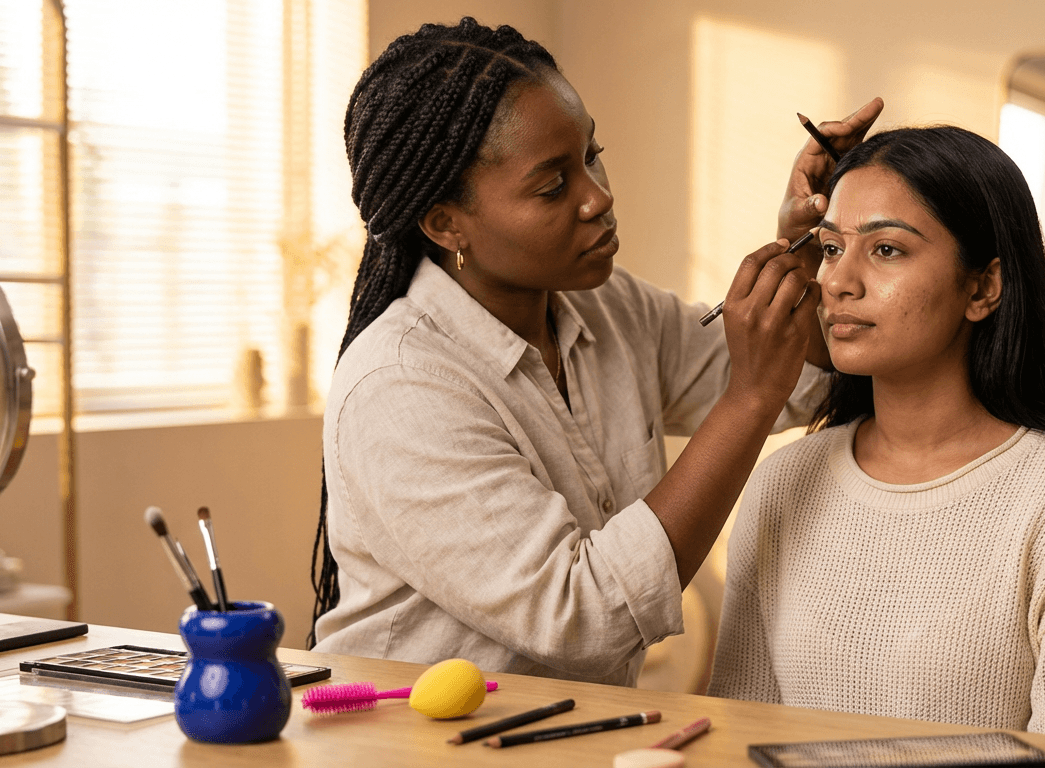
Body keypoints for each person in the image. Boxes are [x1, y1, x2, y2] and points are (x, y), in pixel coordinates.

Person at [307, 18, 883, 686]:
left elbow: (801, 381)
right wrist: (746, 400)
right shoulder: (400, 386)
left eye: (592, 155)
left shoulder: (608, 310)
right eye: (553, 185)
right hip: (405, 745)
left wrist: (807, 249)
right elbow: (582, 618)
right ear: (445, 222)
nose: (599, 197)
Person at [707, 126, 1045, 742]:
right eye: (833, 248)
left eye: (886, 250)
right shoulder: (785, 480)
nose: (838, 282)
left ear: (982, 287)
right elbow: (741, 736)